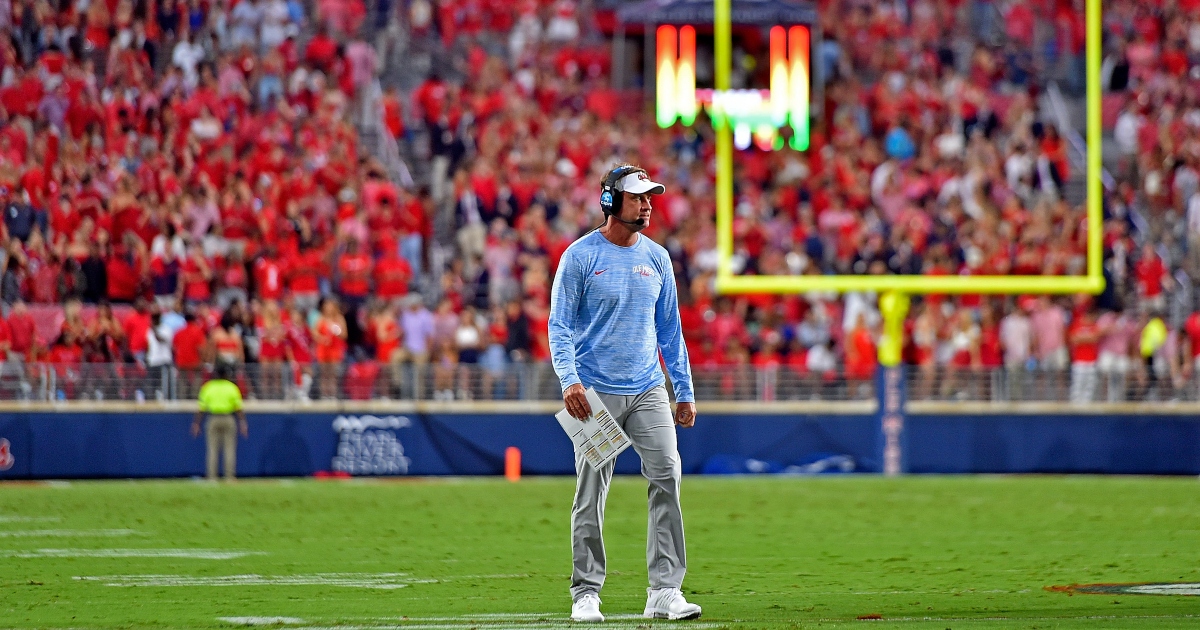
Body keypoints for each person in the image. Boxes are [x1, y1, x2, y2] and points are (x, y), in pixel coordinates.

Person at [549, 164, 700, 623]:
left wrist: (684, 389)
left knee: (668, 475)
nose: (648, 204)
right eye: (638, 198)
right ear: (611, 202)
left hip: (648, 388)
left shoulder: (658, 258)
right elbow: (559, 326)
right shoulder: (578, 257)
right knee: (591, 489)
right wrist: (569, 381)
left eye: (650, 197)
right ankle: (586, 591)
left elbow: (670, 331)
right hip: (593, 391)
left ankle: (665, 590)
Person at [191, 364, 248, 481]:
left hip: (213, 418)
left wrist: (196, 424)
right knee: (229, 449)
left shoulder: (208, 387)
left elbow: (201, 408)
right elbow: (238, 408)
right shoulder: (231, 387)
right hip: (228, 418)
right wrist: (243, 423)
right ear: (226, 375)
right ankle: (229, 476)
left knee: (212, 449)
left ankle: (212, 477)